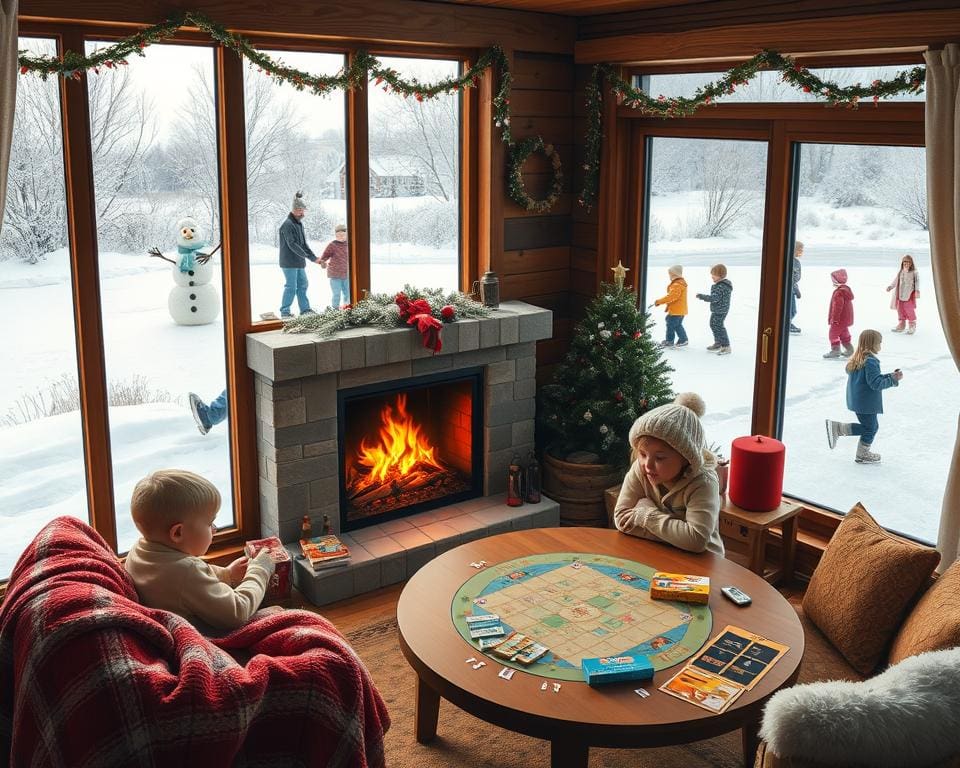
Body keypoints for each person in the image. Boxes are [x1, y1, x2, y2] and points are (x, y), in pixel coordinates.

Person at [124, 469, 276, 631]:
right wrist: (260, 571)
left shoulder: (139, 551)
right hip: (204, 637)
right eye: (210, 523)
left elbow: (190, 579)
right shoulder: (186, 571)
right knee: (278, 615)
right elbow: (238, 612)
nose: (215, 529)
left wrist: (227, 574)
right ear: (178, 533)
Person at [612, 392, 724, 555]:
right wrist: (678, 535)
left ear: (686, 458)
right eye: (642, 454)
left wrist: (646, 516)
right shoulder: (640, 469)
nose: (647, 464)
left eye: (660, 458)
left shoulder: (703, 482)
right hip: (657, 554)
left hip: (702, 564)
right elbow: (622, 520)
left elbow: (697, 541)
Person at [825, 329, 903, 464]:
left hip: (858, 401)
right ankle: (839, 430)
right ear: (873, 344)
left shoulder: (857, 359)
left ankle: (861, 452)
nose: (880, 345)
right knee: (870, 428)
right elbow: (876, 384)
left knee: (871, 427)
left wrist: (890, 376)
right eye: (879, 342)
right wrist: (893, 380)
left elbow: (871, 379)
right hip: (866, 403)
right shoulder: (871, 361)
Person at [278, 191, 319, 319]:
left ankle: (305, 310)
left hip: (299, 262)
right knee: (291, 286)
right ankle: (285, 312)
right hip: (289, 262)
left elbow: (304, 244)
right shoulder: (287, 225)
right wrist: (307, 256)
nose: (303, 213)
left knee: (303, 284)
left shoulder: (298, 224)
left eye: (303, 210)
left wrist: (314, 258)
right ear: (295, 210)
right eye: (301, 210)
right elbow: (293, 244)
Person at [695, 263, 733, 355]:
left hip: (720, 310)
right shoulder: (721, 285)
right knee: (713, 324)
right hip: (719, 309)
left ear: (720, 275)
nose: (711, 276)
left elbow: (714, 298)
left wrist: (702, 296)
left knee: (719, 326)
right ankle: (718, 343)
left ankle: (726, 346)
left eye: (713, 275)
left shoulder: (721, 286)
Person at [655, 265, 689, 348]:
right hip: (680, 310)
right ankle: (683, 339)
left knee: (670, 324)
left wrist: (659, 301)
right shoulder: (680, 283)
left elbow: (672, 297)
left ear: (674, 275)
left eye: (670, 274)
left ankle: (669, 341)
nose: (669, 276)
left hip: (676, 310)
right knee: (677, 324)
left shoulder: (677, 284)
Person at [823, 268, 854, 359]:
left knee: (833, 334)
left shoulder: (839, 292)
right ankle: (849, 349)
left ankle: (835, 350)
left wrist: (835, 319)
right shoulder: (846, 290)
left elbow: (837, 307)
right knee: (844, 333)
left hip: (839, 319)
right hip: (845, 319)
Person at [886, 254, 920, 335]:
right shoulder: (901, 271)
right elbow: (896, 280)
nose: (906, 263)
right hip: (900, 294)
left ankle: (912, 324)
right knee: (899, 308)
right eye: (904, 262)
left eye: (908, 262)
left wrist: (917, 290)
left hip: (908, 293)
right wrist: (891, 286)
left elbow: (917, 282)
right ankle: (902, 324)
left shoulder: (914, 272)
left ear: (911, 263)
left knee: (908, 308)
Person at [319, 224, 350, 309]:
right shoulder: (332, 245)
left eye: (343, 234)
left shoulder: (350, 244)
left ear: (347, 234)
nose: (341, 237)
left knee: (348, 293)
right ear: (335, 235)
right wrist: (322, 262)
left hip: (346, 274)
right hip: (335, 274)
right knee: (336, 293)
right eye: (338, 235)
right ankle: (335, 308)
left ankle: (347, 307)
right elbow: (325, 256)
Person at [790, 241, 803, 334]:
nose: (801, 252)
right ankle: (787, 324)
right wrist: (795, 289)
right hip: (789, 290)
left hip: (792, 290)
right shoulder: (793, 262)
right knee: (791, 310)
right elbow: (791, 278)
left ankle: (787, 323)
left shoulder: (795, 262)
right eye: (800, 249)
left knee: (793, 310)